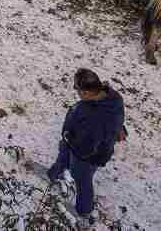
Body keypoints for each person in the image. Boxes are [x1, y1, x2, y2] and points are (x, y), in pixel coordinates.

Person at [45, 68, 127, 227]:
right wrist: (118, 129)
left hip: (87, 156)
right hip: (79, 143)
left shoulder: (95, 116)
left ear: (87, 92)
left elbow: (85, 149)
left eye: (77, 88)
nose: (75, 90)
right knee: (63, 158)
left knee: (82, 179)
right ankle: (53, 176)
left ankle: (84, 210)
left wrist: (68, 138)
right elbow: (116, 118)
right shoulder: (113, 97)